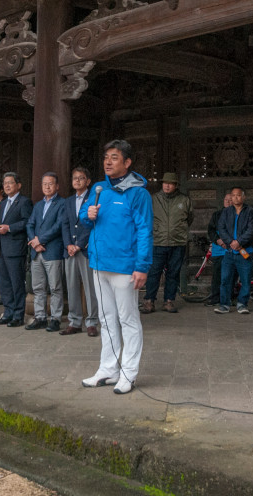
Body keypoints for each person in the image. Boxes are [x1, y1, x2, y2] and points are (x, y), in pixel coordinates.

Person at [79, 140, 153, 395]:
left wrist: (142, 266)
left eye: (114, 157)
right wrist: (87, 215)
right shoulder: (98, 188)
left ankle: (128, 373)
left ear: (127, 162)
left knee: (128, 319)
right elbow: (85, 221)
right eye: (106, 157)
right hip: (100, 263)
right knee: (106, 318)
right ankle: (108, 369)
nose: (108, 162)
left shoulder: (138, 194)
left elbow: (144, 230)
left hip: (124, 266)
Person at [26, 172, 70, 332]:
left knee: (55, 287)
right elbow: (29, 224)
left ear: (57, 186)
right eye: (44, 184)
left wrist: (40, 240)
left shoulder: (63, 203)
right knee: (38, 287)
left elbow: (59, 226)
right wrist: (34, 241)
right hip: (37, 252)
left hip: (52, 251)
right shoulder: (38, 205)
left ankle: (56, 318)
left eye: (50, 183)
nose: (47, 186)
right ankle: (40, 317)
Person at [144, 173, 193, 314]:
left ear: (176, 185)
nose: (167, 185)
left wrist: (178, 230)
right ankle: (149, 300)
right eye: (165, 182)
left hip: (177, 243)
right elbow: (147, 217)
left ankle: (169, 301)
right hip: (158, 241)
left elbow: (189, 218)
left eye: (170, 183)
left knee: (173, 273)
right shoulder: (154, 199)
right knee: (154, 272)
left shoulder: (184, 200)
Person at [0, 172, 33, 327]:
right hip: (1, 247)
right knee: (4, 284)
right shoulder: (2, 203)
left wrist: (10, 228)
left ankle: (18, 314)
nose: (7, 186)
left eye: (10, 182)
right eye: (5, 183)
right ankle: (8, 312)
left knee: (16, 283)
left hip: (15, 248)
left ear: (18, 185)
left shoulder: (24, 202)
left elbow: (27, 222)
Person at [63, 167, 99, 336]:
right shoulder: (68, 201)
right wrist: (68, 244)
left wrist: (80, 244)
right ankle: (75, 321)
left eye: (81, 178)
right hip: (70, 250)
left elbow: (91, 224)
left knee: (90, 287)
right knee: (71, 286)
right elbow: (65, 224)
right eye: (75, 178)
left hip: (85, 249)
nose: (77, 181)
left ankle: (91, 322)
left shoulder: (94, 199)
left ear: (88, 181)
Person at [214, 186, 253, 315]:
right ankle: (224, 305)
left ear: (243, 197)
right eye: (233, 195)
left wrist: (239, 242)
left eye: (238, 195)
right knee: (225, 279)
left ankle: (242, 304)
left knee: (245, 280)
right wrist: (230, 242)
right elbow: (221, 229)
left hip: (244, 251)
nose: (235, 197)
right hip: (229, 252)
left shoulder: (250, 212)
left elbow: (251, 230)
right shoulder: (226, 212)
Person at [205, 192, 232, 305]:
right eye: (226, 199)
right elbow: (211, 230)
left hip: (231, 249)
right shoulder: (217, 215)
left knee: (230, 275)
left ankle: (229, 298)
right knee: (217, 275)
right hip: (219, 249)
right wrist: (218, 240)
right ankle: (215, 298)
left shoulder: (237, 214)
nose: (228, 202)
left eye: (230, 200)